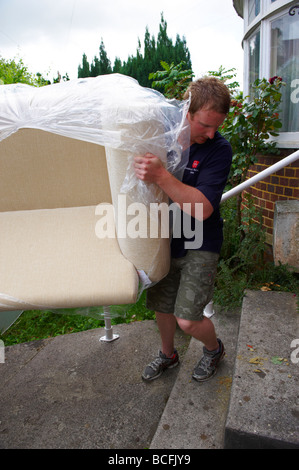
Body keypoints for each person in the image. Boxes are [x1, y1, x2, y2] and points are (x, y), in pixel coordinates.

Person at [134, 77, 232, 383]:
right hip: (165, 238)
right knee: (162, 307)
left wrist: (161, 175)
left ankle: (214, 350)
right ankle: (168, 355)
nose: (211, 132)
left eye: (216, 125)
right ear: (187, 111)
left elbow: (203, 208)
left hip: (201, 242)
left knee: (187, 320)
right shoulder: (157, 137)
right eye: (205, 124)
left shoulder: (220, 149)